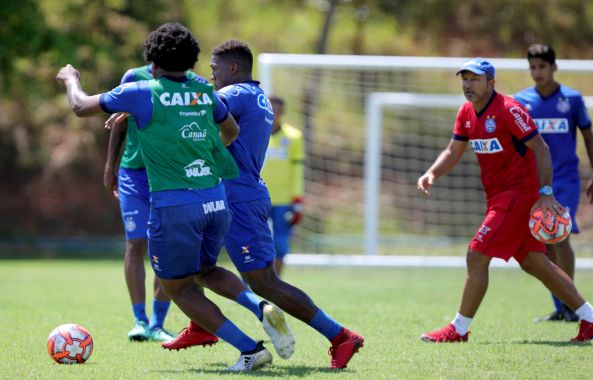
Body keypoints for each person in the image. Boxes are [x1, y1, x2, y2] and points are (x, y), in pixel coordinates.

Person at [57, 22, 273, 371]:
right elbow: (230, 130)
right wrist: (200, 155)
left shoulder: (142, 91)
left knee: (178, 287)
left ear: (152, 62)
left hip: (175, 205)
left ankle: (250, 348)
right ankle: (260, 306)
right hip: (217, 201)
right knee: (206, 269)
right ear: (192, 61)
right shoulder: (205, 91)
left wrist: (70, 78)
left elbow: (81, 106)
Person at [164, 39, 364, 369]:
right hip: (224, 197)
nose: (211, 75)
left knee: (264, 282)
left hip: (239, 198)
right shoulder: (254, 95)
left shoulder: (237, 94)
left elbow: (200, 107)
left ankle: (341, 336)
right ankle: (201, 326)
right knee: (196, 268)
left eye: (214, 69)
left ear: (232, 68)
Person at [417, 58, 593, 343]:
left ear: (491, 82)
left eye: (475, 79)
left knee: (476, 254)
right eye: (465, 79)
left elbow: (541, 148)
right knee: (534, 263)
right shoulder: (466, 112)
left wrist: (546, 194)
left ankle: (458, 329)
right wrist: (432, 173)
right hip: (497, 196)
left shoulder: (510, 109)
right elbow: (453, 150)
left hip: (518, 196)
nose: (468, 84)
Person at [514, 44, 593, 323]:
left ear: (554, 67)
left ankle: (573, 305)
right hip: (534, 182)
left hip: (564, 179)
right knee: (545, 242)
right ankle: (562, 306)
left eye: (542, 66)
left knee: (560, 236)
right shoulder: (521, 101)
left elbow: (588, 137)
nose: (537, 72)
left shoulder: (572, 100)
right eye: (533, 67)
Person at [103, 64, 175, 342]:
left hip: (170, 175)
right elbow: (118, 125)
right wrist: (111, 165)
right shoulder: (133, 77)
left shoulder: (187, 84)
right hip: (134, 174)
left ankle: (158, 323)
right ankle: (140, 321)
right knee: (135, 242)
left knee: (168, 247)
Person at [261, 96, 305, 275]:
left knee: (280, 243)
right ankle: (252, 282)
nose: (275, 115)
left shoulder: (294, 137)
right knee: (253, 242)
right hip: (258, 198)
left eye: (278, 111)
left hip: (283, 200)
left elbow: (297, 171)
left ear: (283, 113)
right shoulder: (254, 133)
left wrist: (298, 198)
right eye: (271, 110)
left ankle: (275, 282)